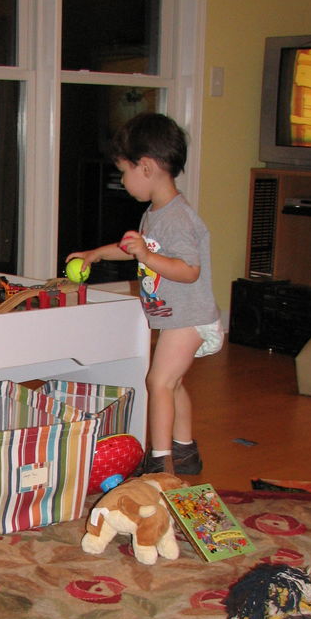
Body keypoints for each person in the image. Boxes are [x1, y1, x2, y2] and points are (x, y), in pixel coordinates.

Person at [66, 112, 222, 475]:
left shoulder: (177, 218)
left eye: (124, 171)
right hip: (179, 316)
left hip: (191, 317)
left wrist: (148, 256)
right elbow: (133, 248)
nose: (123, 180)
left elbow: (189, 269)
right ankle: (185, 452)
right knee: (175, 383)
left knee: (158, 381)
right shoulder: (156, 212)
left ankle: (159, 459)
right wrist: (95, 254)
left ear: (147, 167)